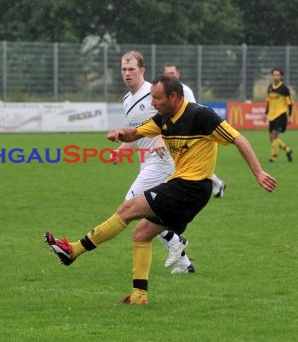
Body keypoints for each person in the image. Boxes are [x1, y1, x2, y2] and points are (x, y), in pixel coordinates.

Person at [45, 75, 276, 305]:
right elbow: (134, 134)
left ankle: (73, 251)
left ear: (173, 96)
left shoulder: (201, 115)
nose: (153, 102)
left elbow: (239, 139)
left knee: (128, 209)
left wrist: (258, 172)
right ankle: (139, 296)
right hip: (184, 187)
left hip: (192, 186)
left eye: (157, 98)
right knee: (142, 234)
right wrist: (119, 134)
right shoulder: (163, 118)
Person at [114, 52, 194, 274]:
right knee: (147, 209)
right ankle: (183, 260)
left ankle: (175, 242)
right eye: (124, 69)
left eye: (131, 69)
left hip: (163, 161)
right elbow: (138, 133)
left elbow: (176, 117)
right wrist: (121, 150)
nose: (127, 73)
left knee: (131, 205)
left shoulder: (155, 93)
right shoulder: (126, 100)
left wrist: (161, 137)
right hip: (146, 162)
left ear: (142, 71)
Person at [163, 64, 227, 198]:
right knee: (181, 165)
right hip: (172, 134)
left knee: (184, 165)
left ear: (178, 74)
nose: (171, 76)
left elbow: (192, 111)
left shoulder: (185, 90)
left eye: (172, 73)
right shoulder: (164, 91)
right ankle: (218, 183)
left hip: (187, 135)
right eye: (168, 73)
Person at [265, 68, 293, 163]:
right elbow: (268, 102)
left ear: (281, 76)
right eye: (274, 75)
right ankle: (288, 150)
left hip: (281, 114)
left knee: (274, 135)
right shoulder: (270, 87)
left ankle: (274, 157)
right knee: (272, 138)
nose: (276, 77)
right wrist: (265, 114)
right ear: (272, 76)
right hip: (272, 115)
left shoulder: (284, 88)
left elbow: (290, 103)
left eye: (278, 75)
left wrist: (290, 116)